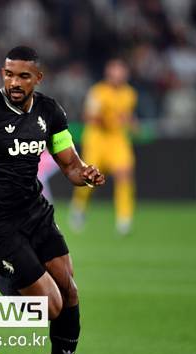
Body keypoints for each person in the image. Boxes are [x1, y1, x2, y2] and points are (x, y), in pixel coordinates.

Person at [0, 46, 104, 354]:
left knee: (69, 290)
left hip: (35, 212)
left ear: (38, 78)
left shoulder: (50, 112)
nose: (14, 82)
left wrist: (85, 174)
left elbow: (69, 165)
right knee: (49, 307)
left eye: (23, 76)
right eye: (9, 74)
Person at [70, 59, 138, 235]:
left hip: (117, 140)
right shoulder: (98, 92)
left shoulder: (129, 94)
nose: (118, 76)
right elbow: (89, 116)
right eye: (115, 72)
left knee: (124, 175)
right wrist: (107, 119)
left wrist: (132, 123)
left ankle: (124, 219)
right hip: (97, 139)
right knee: (88, 178)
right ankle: (79, 208)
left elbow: (127, 116)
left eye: (121, 72)